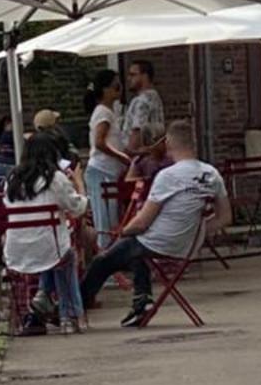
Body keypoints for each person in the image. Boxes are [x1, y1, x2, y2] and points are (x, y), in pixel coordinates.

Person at [79, 119, 226, 326]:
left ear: (168, 144)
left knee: (102, 261)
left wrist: (123, 231)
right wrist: (197, 231)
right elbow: (225, 217)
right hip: (187, 245)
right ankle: (142, 301)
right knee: (134, 252)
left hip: (158, 242)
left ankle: (73, 308)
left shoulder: (167, 176)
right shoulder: (212, 174)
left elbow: (142, 222)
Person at [3, 130, 88, 335]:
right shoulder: (56, 178)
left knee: (51, 248)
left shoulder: (12, 177)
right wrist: (79, 184)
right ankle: (70, 315)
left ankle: (41, 297)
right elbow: (76, 207)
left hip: (16, 250)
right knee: (64, 255)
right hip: (51, 248)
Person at [84, 70, 130, 247]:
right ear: (105, 90)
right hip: (102, 170)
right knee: (105, 218)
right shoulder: (103, 112)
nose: (120, 89)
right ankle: (106, 257)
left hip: (109, 171)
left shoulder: (109, 112)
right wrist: (123, 157)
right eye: (116, 86)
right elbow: (100, 142)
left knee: (111, 216)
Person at [121, 58, 165, 160]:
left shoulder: (141, 101)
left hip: (138, 157)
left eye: (133, 75)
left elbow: (137, 129)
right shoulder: (155, 96)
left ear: (144, 76)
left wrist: (129, 154)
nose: (129, 79)